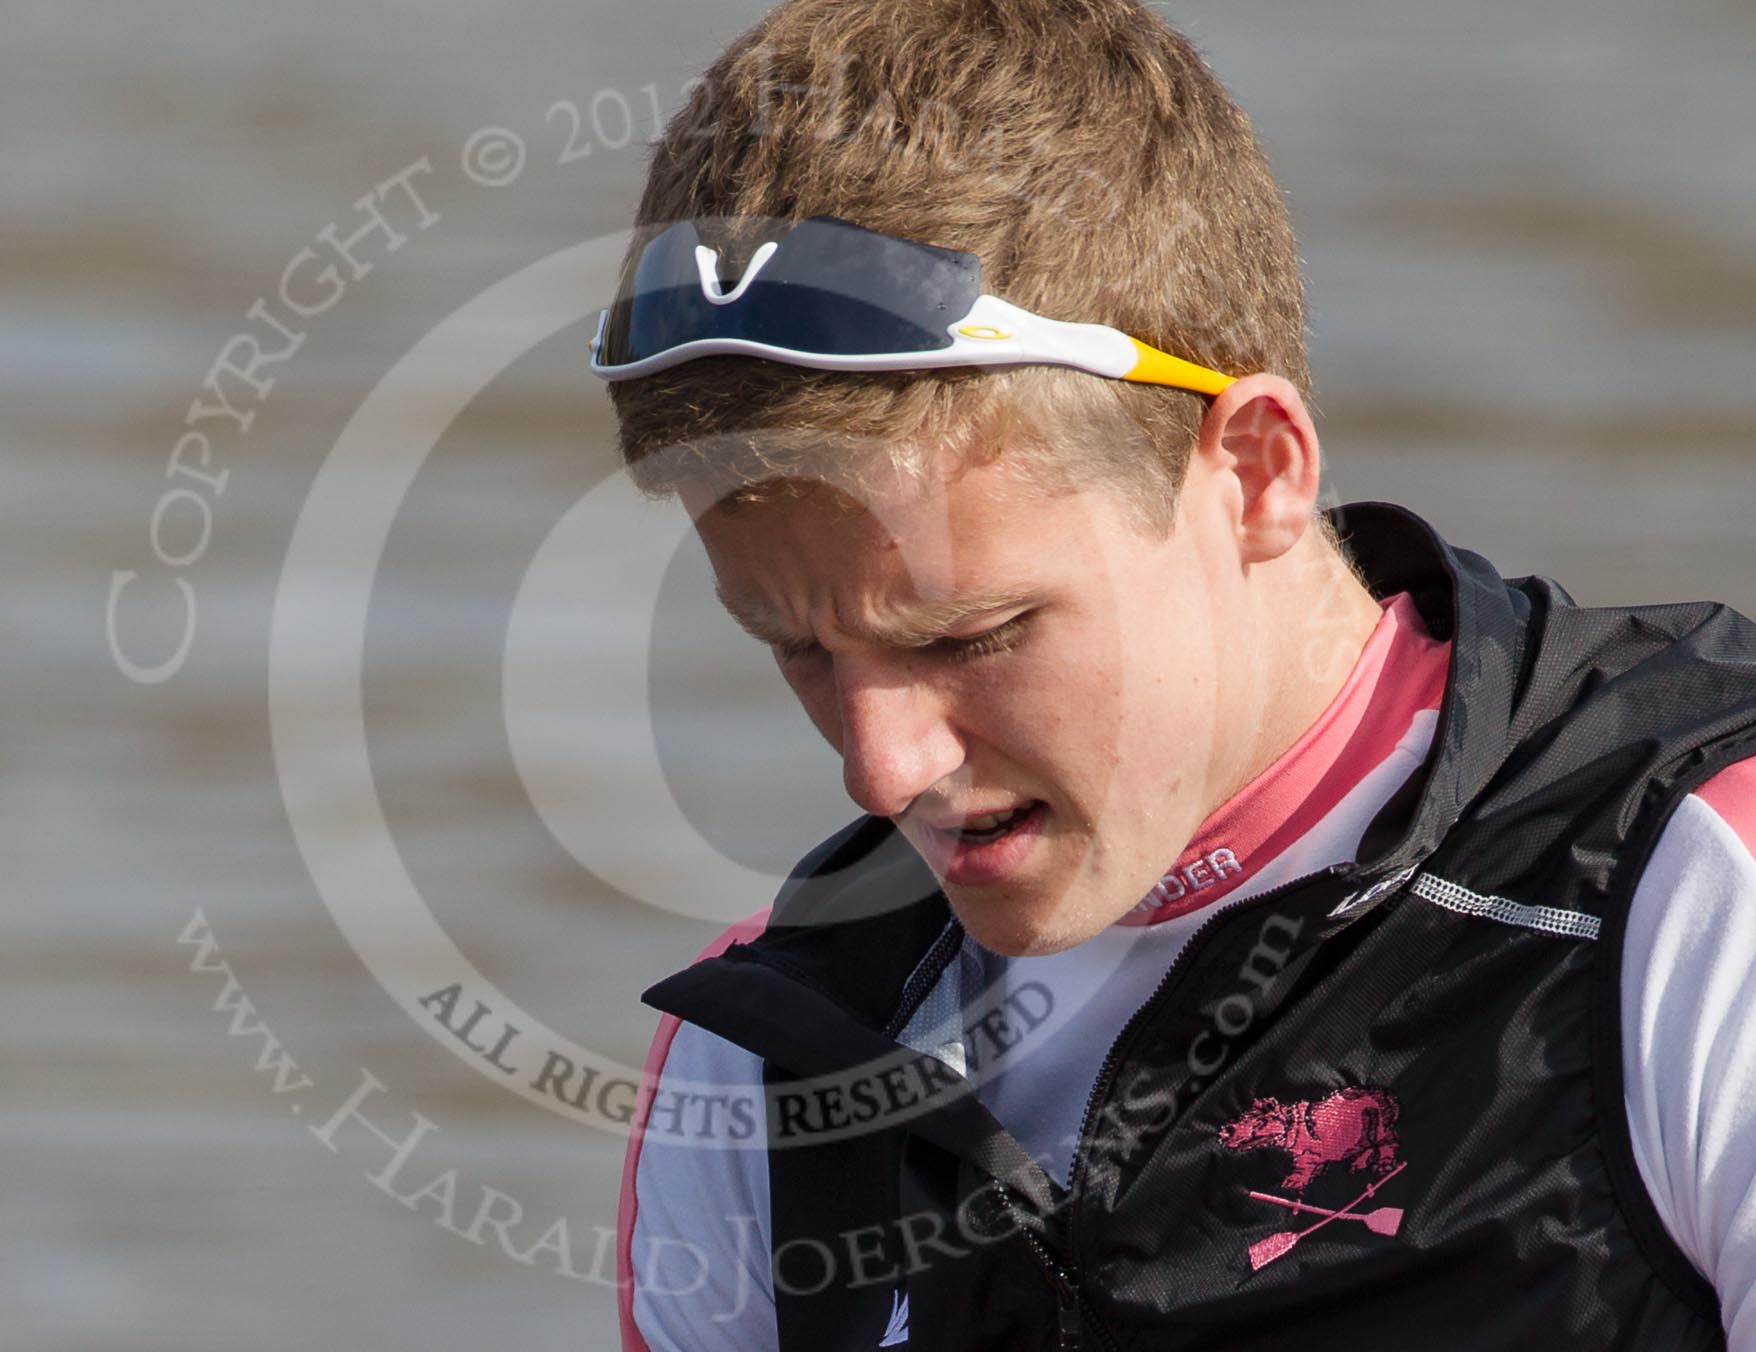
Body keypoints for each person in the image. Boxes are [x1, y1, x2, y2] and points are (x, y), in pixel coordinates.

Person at [588, 1, 1756, 1347]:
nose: (881, 767)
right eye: (797, 647)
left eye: (968, 635)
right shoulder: (762, 1057)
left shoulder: (1695, 898)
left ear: (1257, 471)